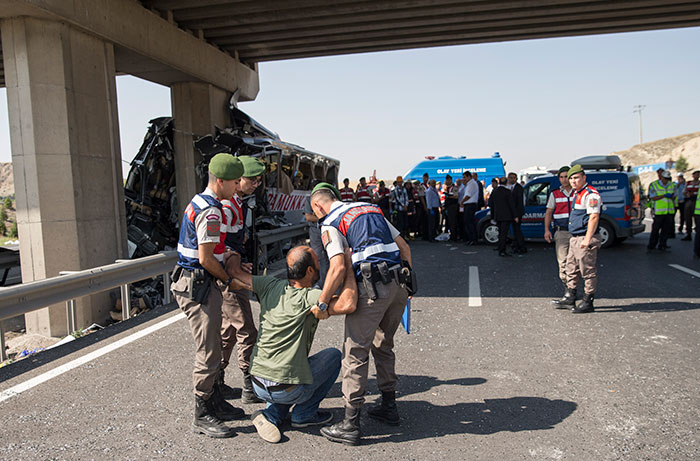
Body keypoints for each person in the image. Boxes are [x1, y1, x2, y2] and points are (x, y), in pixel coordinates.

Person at [310, 183, 412, 446]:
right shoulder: (370, 208)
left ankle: (350, 423)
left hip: (372, 290)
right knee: (383, 344)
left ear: (317, 206)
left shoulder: (331, 222)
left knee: (354, 352)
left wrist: (322, 304)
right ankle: (389, 406)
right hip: (397, 286)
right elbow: (404, 248)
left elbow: (337, 266)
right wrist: (409, 286)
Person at [226, 245, 358, 443]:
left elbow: (234, 273)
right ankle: (304, 414)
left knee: (290, 374)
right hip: (285, 388)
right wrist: (348, 265)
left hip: (257, 383)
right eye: (317, 263)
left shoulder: (269, 285)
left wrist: (232, 253)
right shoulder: (312, 297)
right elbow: (349, 304)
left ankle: (272, 415)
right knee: (332, 356)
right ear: (310, 271)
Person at [169, 153, 246, 438]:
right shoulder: (212, 211)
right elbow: (205, 258)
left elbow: (210, 251)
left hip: (196, 284)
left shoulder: (200, 202)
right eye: (235, 182)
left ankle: (214, 401)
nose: (238, 187)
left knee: (213, 342)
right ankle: (201, 413)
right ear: (221, 181)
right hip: (198, 286)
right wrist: (229, 280)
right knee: (208, 350)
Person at [218, 155, 266, 404]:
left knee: (227, 332)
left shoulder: (238, 203)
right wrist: (236, 267)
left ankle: (217, 380)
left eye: (258, 181)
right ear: (238, 180)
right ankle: (249, 385)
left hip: (231, 273)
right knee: (246, 329)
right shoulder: (228, 206)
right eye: (252, 180)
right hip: (228, 278)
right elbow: (221, 246)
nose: (256, 184)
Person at [562, 165, 603, 313]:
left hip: (584, 238)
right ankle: (570, 297)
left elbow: (594, 217)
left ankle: (588, 301)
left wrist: (587, 239)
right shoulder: (578, 193)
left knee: (587, 271)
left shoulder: (591, 194)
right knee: (571, 268)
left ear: (584, 177)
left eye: (576, 177)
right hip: (575, 238)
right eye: (571, 178)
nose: (573, 181)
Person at [545, 166, 575, 305]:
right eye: (561, 177)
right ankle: (568, 291)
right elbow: (549, 213)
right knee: (563, 263)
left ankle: (574, 291)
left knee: (576, 263)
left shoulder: (578, 193)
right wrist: (547, 230)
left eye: (566, 176)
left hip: (577, 232)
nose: (564, 180)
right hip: (562, 232)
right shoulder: (555, 194)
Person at [304, 185, 330, 288]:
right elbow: (308, 217)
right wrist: (322, 218)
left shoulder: (325, 199)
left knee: (330, 258)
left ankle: (329, 284)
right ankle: (321, 284)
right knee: (319, 258)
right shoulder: (309, 199)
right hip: (316, 232)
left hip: (326, 230)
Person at [647, 170, 677, 252]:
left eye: (668, 179)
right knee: (655, 229)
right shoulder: (654, 185)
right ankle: (652, 245)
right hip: (659, 211)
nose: (666, 180)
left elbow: (674, 196)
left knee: (666, 230)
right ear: (662, 178)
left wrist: (672, 196)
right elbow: (653, 197)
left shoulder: (672, 185)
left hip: (669, 211)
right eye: (665, 179)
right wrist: (664, 196)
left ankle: (663, 244)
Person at [488, 176, 516, 256]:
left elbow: (491, 204)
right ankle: (502, 250)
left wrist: (493, 216)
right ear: (506, 182)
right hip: (506, 216)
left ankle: (500, 248)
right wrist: (515, 215)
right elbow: (511, 205)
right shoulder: (507, 192)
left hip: (498, 215)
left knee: (500, 233)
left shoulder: (495, 191)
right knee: (504, 233)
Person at [507, 172, 527, 254]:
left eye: (513, 178)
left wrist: (517, 215)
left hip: (517, 213)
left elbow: (521, 202)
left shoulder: (519, 188)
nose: (512, 179)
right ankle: (516, 245)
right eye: (510, 177)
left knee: (517, 230)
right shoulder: (509, 187)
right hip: (511, 212)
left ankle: (521, 246)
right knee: (515, 230)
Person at [459, 171, 479, 245]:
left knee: (469, 222)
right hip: (468, 204)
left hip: (470, 204)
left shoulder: (472, 184)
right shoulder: (468, 184)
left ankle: (473, 239)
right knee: (468, 222)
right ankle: (470, 238)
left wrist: (462, 202)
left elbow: (468, 195)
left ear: (469, 177)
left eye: (464, 177)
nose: (463, 179)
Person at [682, 170, 699, 240]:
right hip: (689, 201)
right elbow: (684, 191)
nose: (697, 176)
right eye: (696, 175)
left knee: (697, 219)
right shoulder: (688, 183)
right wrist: (687, 193)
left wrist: (694, 194)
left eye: (698, 175)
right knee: (688, 219)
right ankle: (688, 234)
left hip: (697, 202)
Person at [442, 175, 460, 241]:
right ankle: (452, 235)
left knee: (453, 222)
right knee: (449, 222)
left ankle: (454, 236)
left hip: (453, 206)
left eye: (448, 180)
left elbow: (456, 196)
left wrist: (449, 196)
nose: (447, 181)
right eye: (446, 180)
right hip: (449, 207)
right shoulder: (448, 188)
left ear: (451, 180)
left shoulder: (454, 188)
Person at [418, 174, 430, 240]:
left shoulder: (427, 186)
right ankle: (424, 235)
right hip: (423, 204)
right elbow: (421, 197)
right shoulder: (421, 186)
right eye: (425, 178)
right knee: (424, 220)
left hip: (428, 203)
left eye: (427, 178)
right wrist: (425, 206)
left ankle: (427, 234)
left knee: (427, 220)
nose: (426, 179)